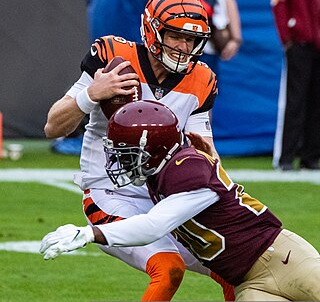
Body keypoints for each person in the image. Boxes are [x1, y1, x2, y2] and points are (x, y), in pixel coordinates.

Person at [44, 0, 234, 301]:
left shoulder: (202, 79)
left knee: (235, 267)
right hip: (110, 193)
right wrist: (91, 94)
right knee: (168, 267)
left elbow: (205, 150)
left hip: (164, 196)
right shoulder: (114, 59)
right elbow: (53, 126)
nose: (183, 47)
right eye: (175, 36)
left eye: (191, 40)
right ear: (152, 29)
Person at [40, 100, 320, 301]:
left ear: (154, 150)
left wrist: (90, 233)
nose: (118, 161)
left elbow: (153, 226)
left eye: (127, 153)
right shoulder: (162, 171)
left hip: (283, 259)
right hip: (247, 282)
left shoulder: (187, 170)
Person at [271, 0, 320, 171]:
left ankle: (312, 155)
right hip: (298, 42)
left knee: (316, 101)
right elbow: (279, 2)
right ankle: (287, 157)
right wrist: (286, 39)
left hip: (318, 43)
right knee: (295, 99)